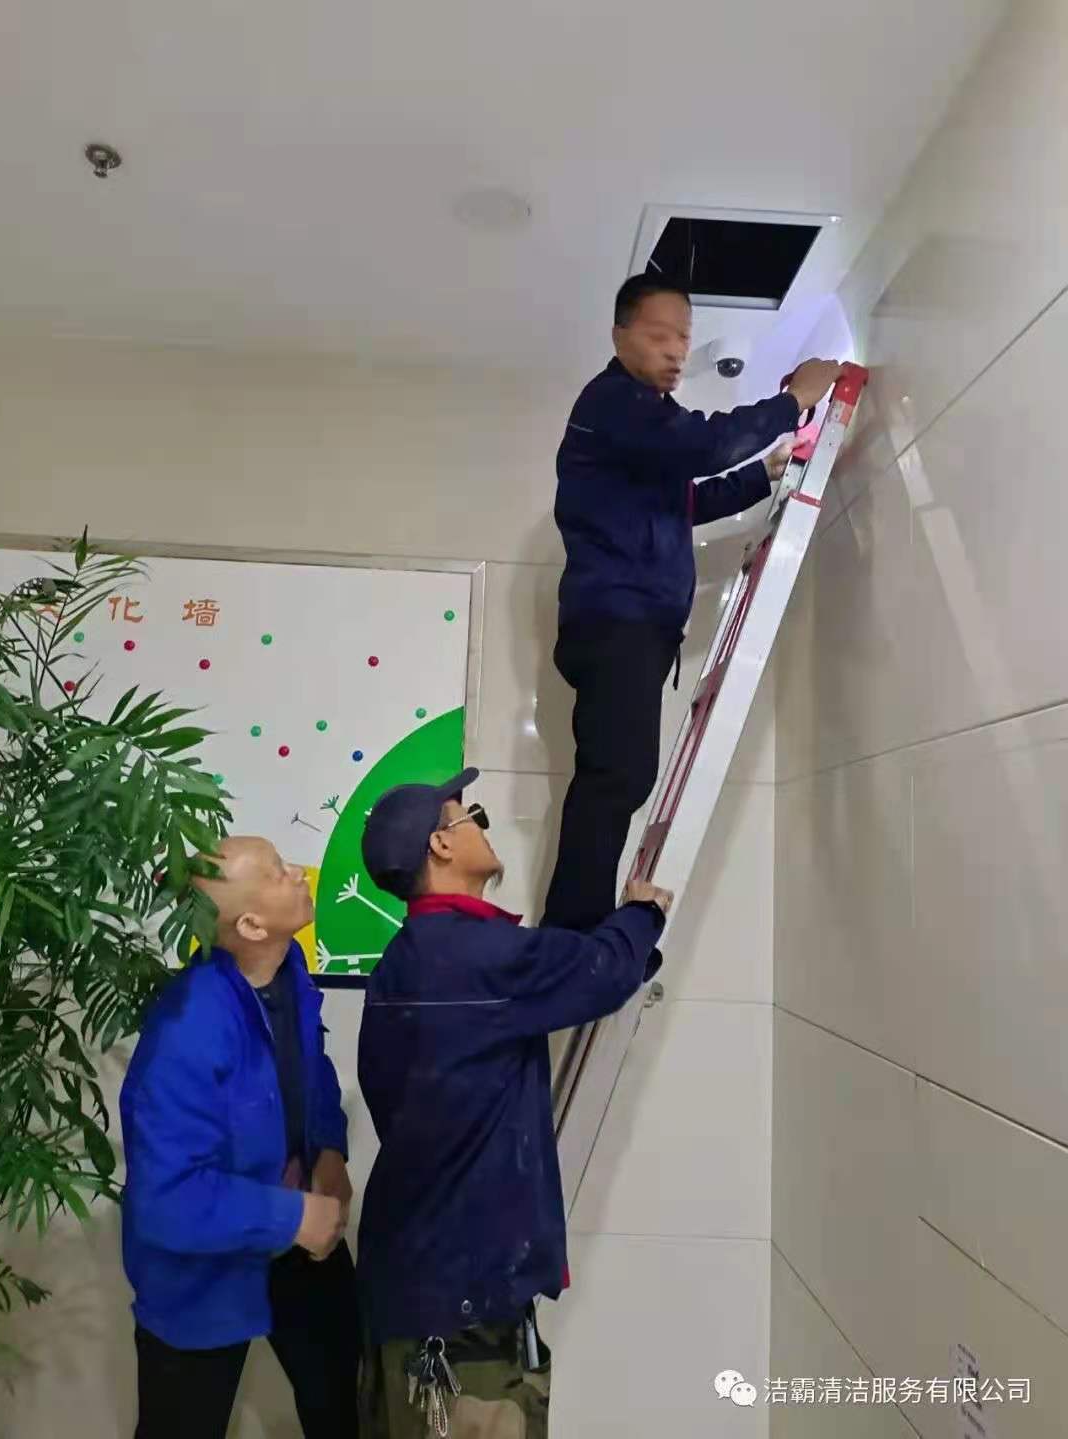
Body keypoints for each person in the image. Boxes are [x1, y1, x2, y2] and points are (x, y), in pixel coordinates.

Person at [354, 768, 672, 1438]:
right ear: (441, 845)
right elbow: (599, 969)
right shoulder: (477, 957)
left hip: (411, 1279)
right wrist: (643, 912)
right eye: (469, 815)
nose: (481, 824)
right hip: (459, 1312)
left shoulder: (402, 965)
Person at [542, 273, 844, 933]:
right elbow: (702, 447)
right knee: (616, 776)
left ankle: (577, 929)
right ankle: (573, 936)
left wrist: (763, 472)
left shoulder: (640, 429)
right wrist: (794, 399)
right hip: (618, 620)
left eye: (684, 336)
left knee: (619, 775)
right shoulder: (616, 402)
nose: (677, 350)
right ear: (619, 336)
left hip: (628, 624)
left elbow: (687, 500)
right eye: (659, 335)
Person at [120, 836, 360, 1439]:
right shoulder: (187, 1028)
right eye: (278, 872)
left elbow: (313, 1073)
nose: (298, 873)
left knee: (345, 1404)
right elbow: (168, 1200)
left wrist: (329, 1150)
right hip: (204, 1273)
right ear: (251, 925)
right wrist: (294, 1217)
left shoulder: (289, 973)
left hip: (300, 1246)